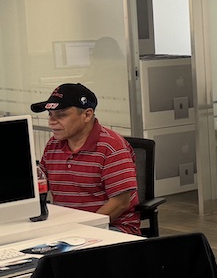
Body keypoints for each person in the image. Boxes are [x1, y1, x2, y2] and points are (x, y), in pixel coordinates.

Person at [30, 82, 140, 236]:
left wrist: (82, 231)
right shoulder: (53, 145)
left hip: (111, 229)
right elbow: (40, 184)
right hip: (66, 226)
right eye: (50, 115)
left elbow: (120, 203)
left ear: (87, 115)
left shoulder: (112, 147)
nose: (51, 122)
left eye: (61, 115)